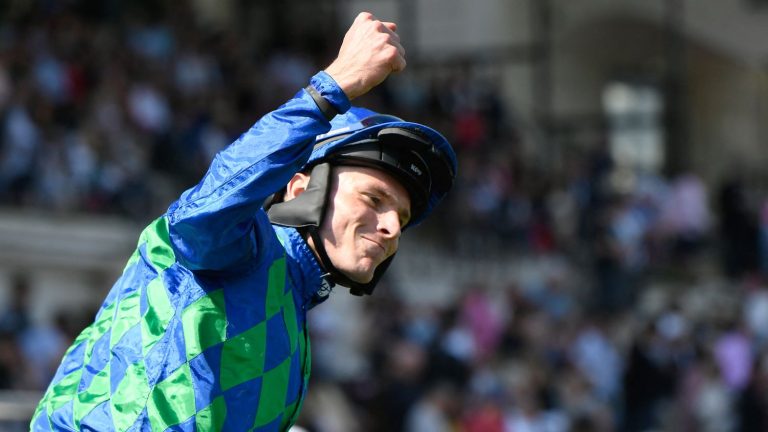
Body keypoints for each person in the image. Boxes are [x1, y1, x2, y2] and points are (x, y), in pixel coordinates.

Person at [30, 11, 457, 432]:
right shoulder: (238, 246)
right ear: (298, 189)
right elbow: (206, 206)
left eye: (401, 216)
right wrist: (330, 89)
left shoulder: (294, 305)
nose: (392, 228)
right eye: (374, 198)